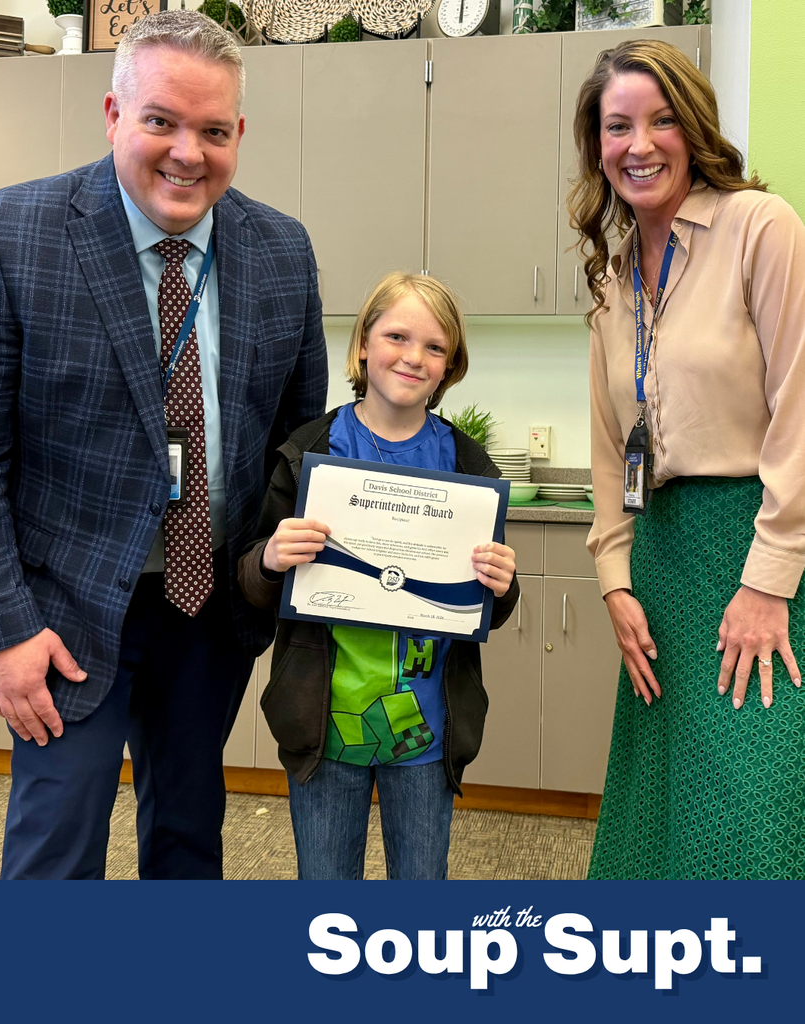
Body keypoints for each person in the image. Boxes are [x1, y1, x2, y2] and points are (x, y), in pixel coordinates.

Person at [0, 10, 327, 879]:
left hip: (208, 607)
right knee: (56, 851)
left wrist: (262, 590)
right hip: (64, 613)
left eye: (212, 131)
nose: (187, 152)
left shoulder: (282, 251)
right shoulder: (13, 234)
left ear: (238, 133)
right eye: (161, 122)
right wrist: (4, 631)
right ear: (113, 116)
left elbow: (297, 444)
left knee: (186, 838)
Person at [568, 39, 805, 879]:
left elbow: (799, 413)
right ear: (595, 145)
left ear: (693, 127)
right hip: (659, 562)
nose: (639, 143)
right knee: (659, 811)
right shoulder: (612, 275)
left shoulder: (759, 228)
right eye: (617, 125)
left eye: (661, 120)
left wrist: (765, 582)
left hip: (753, 553)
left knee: (754, 816)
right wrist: (614, 579)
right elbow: (607, 449)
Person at [238, 272, 519, 879]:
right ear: (364, 343)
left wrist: (503, 581)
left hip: (425, 730)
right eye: (396, 336)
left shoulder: (467, 463)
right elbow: (251, 580)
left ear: (451, 366)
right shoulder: (308, 451)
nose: (413, 357)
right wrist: (270, 558)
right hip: (323, 726)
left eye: (435, 346)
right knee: (327, 891)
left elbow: (488, 604)